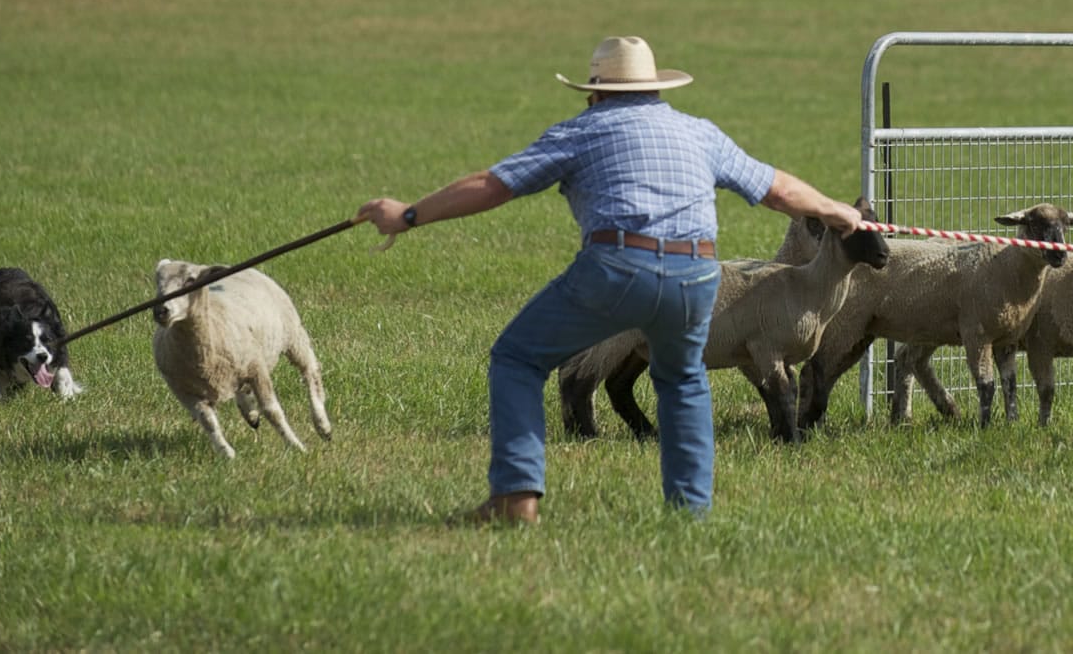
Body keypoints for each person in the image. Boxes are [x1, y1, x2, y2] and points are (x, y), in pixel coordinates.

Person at [358, 36, 866, 524]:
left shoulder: (581, 131)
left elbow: (492, 186)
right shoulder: (698, 131)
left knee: (517, 357)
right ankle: (689, 512)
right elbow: (776, 188)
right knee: (681, 378)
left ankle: (515, 498)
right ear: (657, 89)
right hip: (697, 274)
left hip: (618, 266)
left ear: (596, 93)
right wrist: (836, 212)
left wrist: (407, 215)